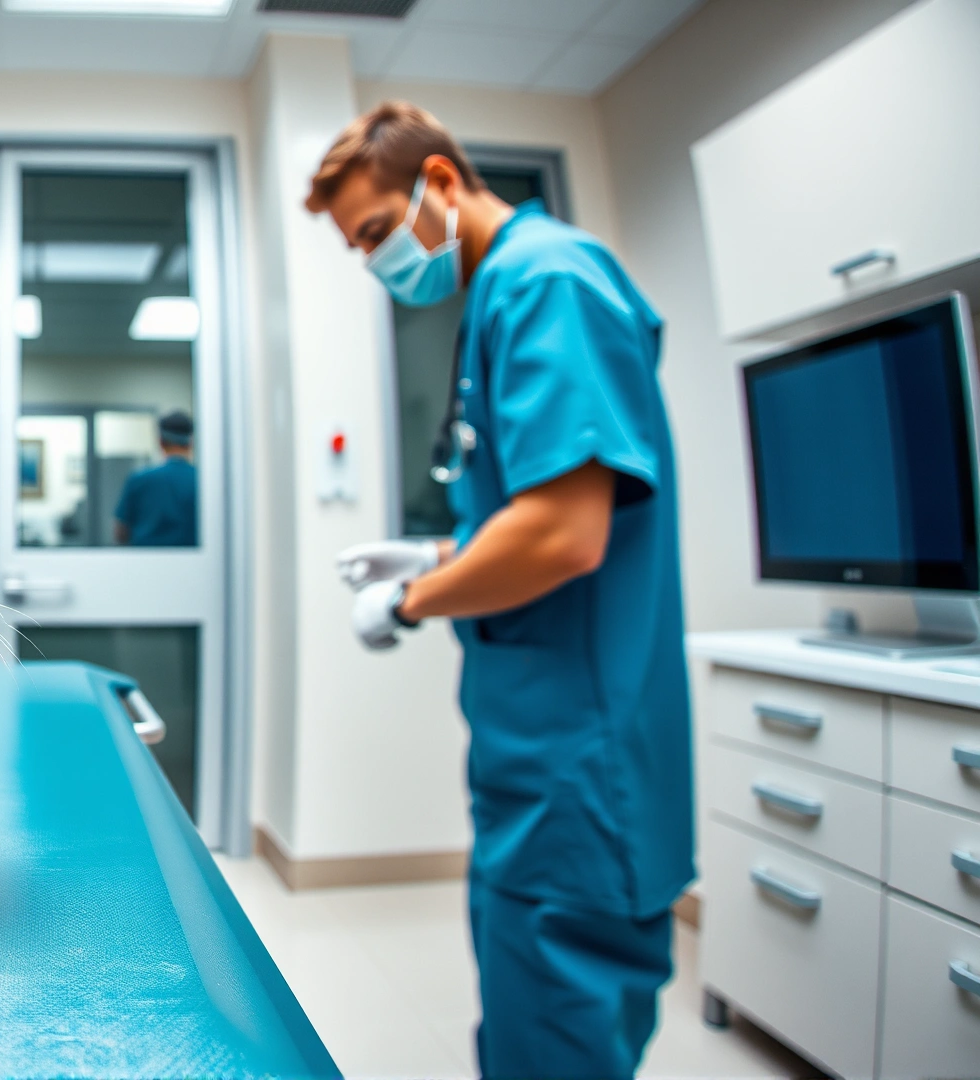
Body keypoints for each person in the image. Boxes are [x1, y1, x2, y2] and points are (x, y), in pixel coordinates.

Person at [310, 102, 693, 1080]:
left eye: (373, 234)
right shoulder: (498, 299)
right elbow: (532, 510)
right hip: (538, 761)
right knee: (526, 1036)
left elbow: (564, 534)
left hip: (581, 769)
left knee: (553, 1048)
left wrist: (410, 600)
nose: (374, 262)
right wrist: (438, 551)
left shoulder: (545, 279)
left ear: (439, 182)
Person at [113, 411, 198, 546]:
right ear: (191, 443)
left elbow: (120, 532)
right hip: (196, 564)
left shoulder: (139, 479)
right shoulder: (202, 482)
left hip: (146, 562)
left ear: (160, 442)